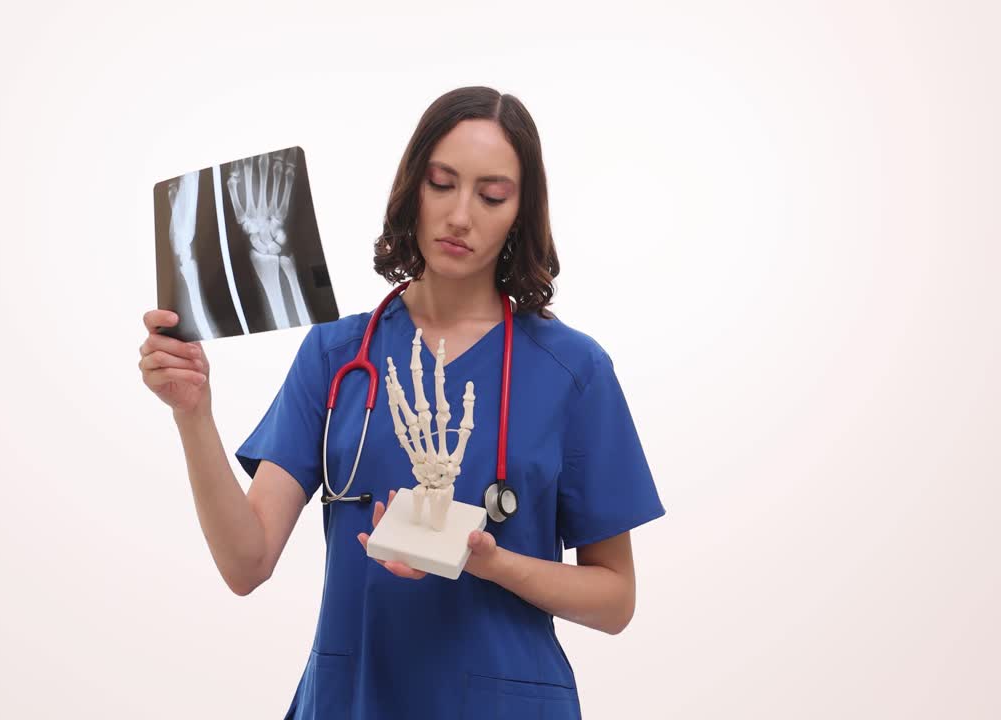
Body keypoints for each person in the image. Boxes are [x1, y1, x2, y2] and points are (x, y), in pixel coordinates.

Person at [139, 86, 666, 720]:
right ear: (412, 187)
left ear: (522, 213)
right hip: (352, 701)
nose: (461, 216)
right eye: (442, 184)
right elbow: (245, 562)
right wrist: (192, 414)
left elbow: (614, 600)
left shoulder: (573, 371)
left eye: (491, 195)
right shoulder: (337, 355)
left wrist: (490, 563)